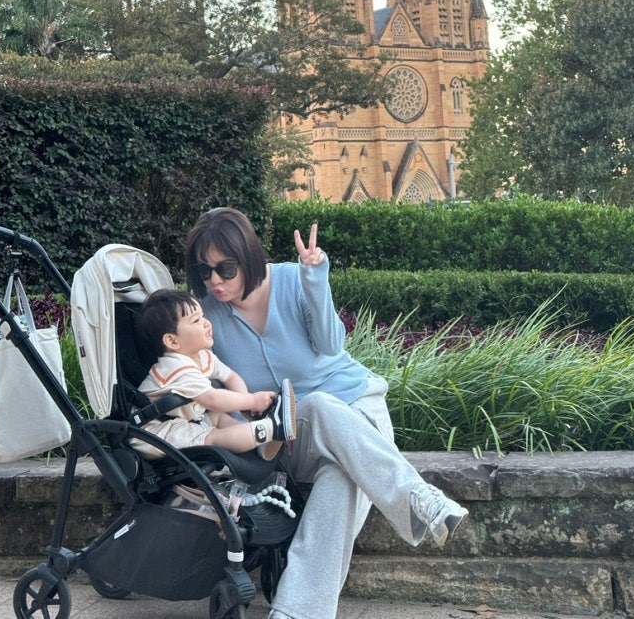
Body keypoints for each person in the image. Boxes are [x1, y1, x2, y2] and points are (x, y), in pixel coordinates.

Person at [185, 207, 469, 619]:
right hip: (284, 437)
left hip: (355, 414)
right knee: (314, 411)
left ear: (247, 257)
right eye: (204, 270)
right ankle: (417, 498)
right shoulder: (206, 317)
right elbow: (200, 384)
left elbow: (331, 345)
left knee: (339, 474)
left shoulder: (293, 279)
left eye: (225, 269)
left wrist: (315, 280)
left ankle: (294, 612)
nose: (215, 281)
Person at [135, 288, 296, 459]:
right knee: (213, 437)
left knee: (218, 417)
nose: (206, 323)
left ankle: (259, 442)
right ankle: (272, 428)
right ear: (172, 341)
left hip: (183, 421)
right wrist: (252, 400)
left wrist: (245, 404)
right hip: (154, 433)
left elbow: (231, 377)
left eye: (203, 316)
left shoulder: (203, 356)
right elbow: (212, 399)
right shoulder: (175, 367)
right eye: (196, 320)